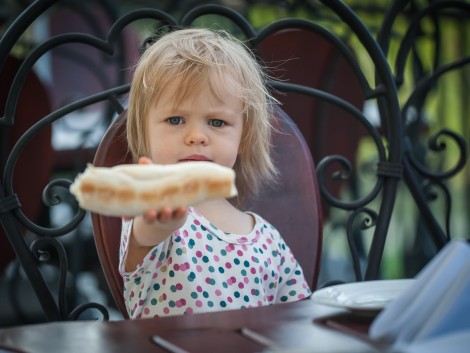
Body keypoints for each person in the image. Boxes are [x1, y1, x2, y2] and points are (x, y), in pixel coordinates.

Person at [120, 28, 311, 319]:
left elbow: (299, 320)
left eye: (217, 122)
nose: (197, 136)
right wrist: (153, 224)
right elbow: (143, 240)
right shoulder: (156, 216)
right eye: (175, 119)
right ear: (143, 132)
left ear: (243, 137)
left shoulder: (267, 239)